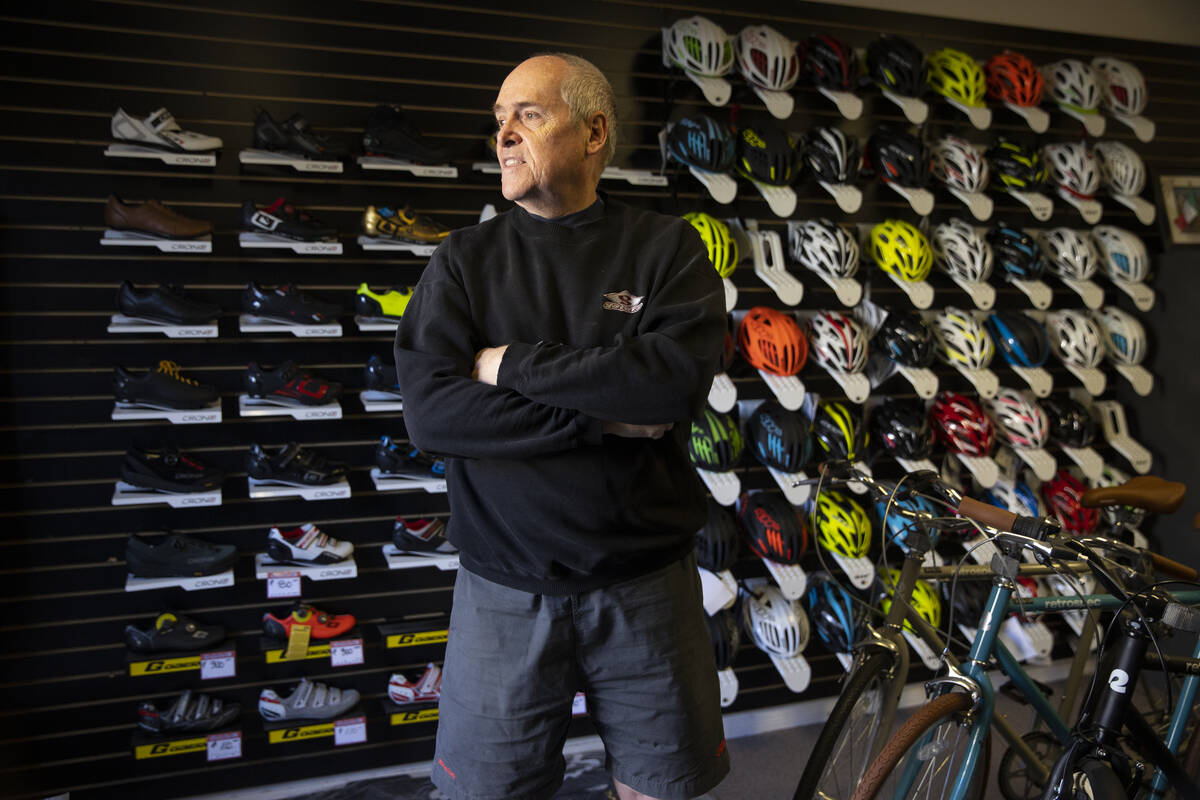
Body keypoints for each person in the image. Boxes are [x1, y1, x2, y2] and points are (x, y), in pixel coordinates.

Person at [394, 52, 729, 800]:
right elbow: (434, 412)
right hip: (502, 590)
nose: (504, 135)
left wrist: (509, 363)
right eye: (499, 122)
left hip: (645, 586)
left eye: (529, 114)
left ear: (594, 131)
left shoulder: (665, 249)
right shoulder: (462, 261)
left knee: (660, 788)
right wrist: (598, 417)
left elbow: (670, 385)